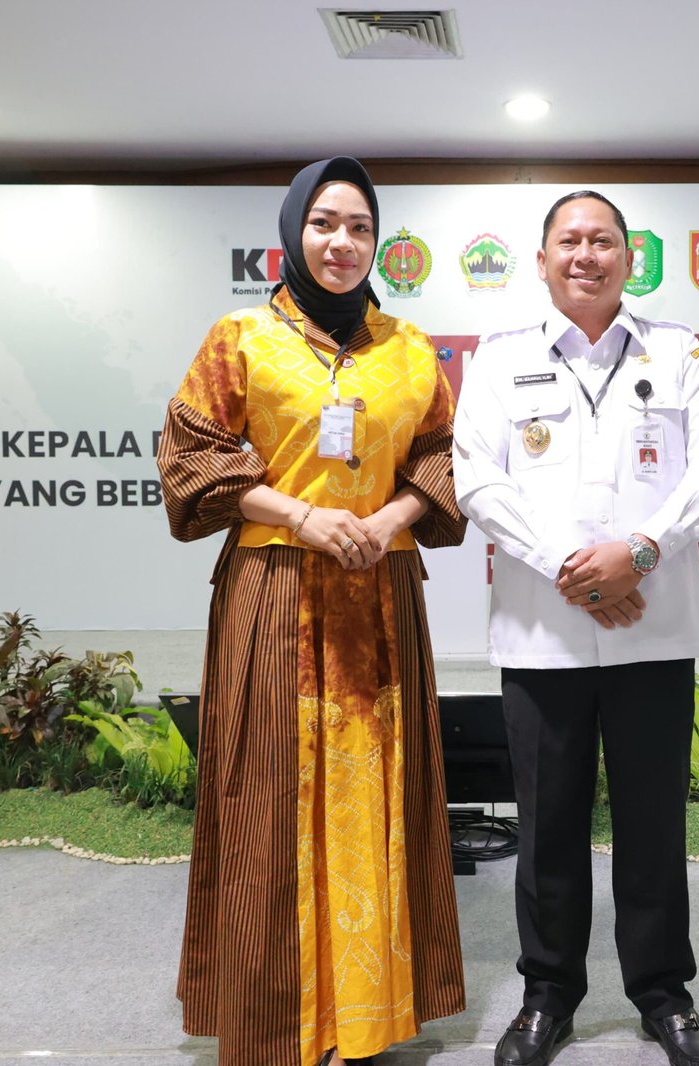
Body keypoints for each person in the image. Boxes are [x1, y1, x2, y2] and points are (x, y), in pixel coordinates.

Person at [158, 156, 466, 1066]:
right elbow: (191, 459)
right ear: (293, 233)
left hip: (380, 596)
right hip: (274, 598)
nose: (342, 242)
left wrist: (390, 520)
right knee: (269, 797)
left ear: (378, 243)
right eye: (325, 223)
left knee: (381, 791)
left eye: (360, 228)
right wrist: (301, 516)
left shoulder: (409, 348)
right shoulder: (240, 338)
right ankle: (280, 1022)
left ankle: (370, 1014)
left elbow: (444, 458)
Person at [453, 190, 699, 1066]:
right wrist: (572, 569)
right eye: (569, 241)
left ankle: (664, 995)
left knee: (654, 825)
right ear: (542, 260)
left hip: (653, 630)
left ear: (629, 258)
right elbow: (477, 478)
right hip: (543, 634)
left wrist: (640, 552)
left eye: (604, 240)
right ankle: (548, 996)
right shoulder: (500, 360)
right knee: (547, 828)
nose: (587, 254)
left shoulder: (679, 352)